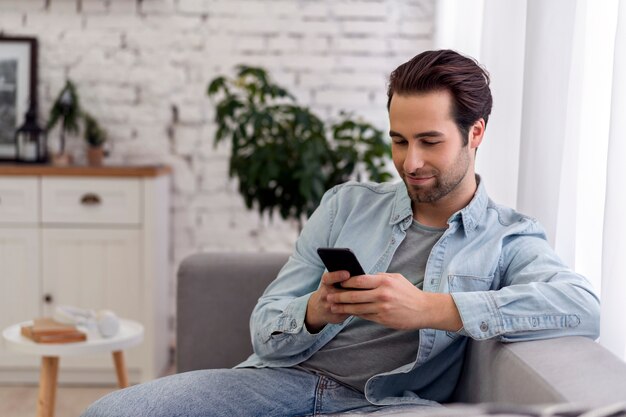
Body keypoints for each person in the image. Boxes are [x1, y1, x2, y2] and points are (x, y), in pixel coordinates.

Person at [82, 49, 600, 417]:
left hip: (385, 404)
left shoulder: (509, 237)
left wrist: (431, 309)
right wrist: (314, 311)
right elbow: (265, 323)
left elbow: (581, 306)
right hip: (278, 382)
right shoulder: (345, 205)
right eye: (398, 141)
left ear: (476, 133)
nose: (410, 162)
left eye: (429, 141)